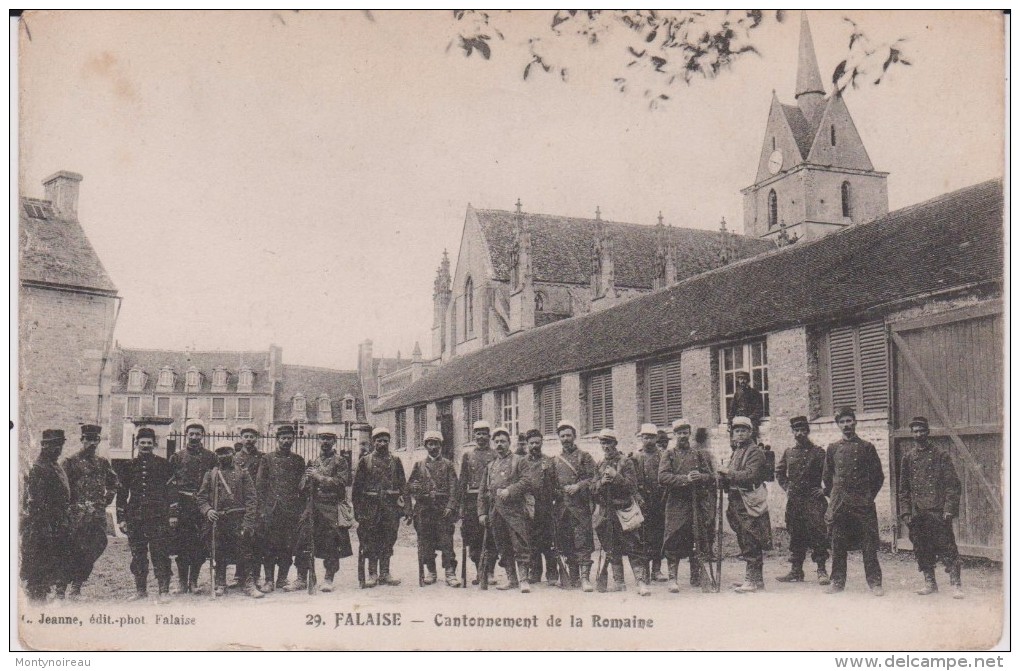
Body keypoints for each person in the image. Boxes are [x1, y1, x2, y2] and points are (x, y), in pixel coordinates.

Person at [897, 416, 964, 598]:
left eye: (922, 431)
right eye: (915, 431)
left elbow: (953, 485)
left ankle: (956, 585)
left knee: (947, 548)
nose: (919, 434)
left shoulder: (940, 455)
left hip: (938, 512)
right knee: (922, 548)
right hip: (919, 514)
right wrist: (905, 512)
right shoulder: (908, 458)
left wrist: (949, 509)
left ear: (928, 432)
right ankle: (930, 583)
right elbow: (903, 490)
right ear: (912, 434)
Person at [823, 406, 885, 596]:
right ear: (838, 425)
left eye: (849, 421)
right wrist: (835, 497)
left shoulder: (867, 447)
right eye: (842, 422)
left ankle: (875, 583)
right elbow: (827, 477)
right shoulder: (833, 448)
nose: (846, 425)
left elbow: (878, 477)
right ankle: (837, 582)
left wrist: (867, 496)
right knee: (838, 543)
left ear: (855, 422)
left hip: (862, 504)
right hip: (841, 504)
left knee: (868, 544)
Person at [60, 424, 120, 599]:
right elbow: (61, 487)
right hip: (76, 517)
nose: (92, 443)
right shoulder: (70, 462)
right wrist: (70, 506)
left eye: (95, 440)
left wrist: (106, 499)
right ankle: (61, 590)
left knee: (96, 546)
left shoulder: (102, 462)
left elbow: (113, 482)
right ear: (82, 440)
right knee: (70, 550)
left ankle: (77, 586)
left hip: (96, 517)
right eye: (88, 439)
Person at [197, 443, 262, 598]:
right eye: (219, 453)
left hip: (238, 519)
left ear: (233, 453)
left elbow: (251, 499)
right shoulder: (211, 474)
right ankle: (220, 583)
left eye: (226, 452)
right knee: (219, 552)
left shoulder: (243, 473)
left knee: (245, 551)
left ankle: (248, 584)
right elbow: (201, 497)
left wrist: (248, 522)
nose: (223, 456)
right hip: (218, 519)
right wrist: (208, 510)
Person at [116, 428, 174, 602]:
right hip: (135, 517)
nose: (146, 446)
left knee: (160, 553)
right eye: (142, 443)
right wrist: (121, 518)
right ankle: (141, 590)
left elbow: (171, 491)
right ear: (137, 444)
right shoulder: (128, 466)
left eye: (149, 443)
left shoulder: (164, 465)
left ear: (154, 444)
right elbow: (122, 493)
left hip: (158, 517)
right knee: (138, 554)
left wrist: (172, 514)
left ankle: (163, 591)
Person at [658, 418, 715, 592]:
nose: (683, 436)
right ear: (674, 435)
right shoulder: (669, 455)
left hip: (695, 503)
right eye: (679, 433)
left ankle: (696, 575)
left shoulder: (698, 454)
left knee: (696, 538)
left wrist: (701, 477)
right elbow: (663, 477)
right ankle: (672, 578)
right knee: (673, 539)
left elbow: (710, 476)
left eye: (685, 432)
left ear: (689, 434)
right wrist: (685, 479)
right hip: (676, 504)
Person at [718, 416, 773, 594]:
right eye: (737, 430)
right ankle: (756, 580)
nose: (740, 434)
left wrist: (728, 473)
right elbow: (732, 475)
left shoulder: (755, 451)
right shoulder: (737, 451)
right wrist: (722, 478)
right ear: (733, 434)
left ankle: (752, 579)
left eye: (743, 430)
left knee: (751, 537)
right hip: (736, 500)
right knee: (743, 537)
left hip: (749, 500)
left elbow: (750, 475)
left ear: (750, 432)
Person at [478, 426, 537, 592]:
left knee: (520, 544)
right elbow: (483, 491)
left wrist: (509, 490)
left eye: (502, 441)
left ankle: (523, 579)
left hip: (515, 512)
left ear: (509, 443)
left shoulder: (519, 461)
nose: (499, 444)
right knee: (502, 546)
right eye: (496, 441)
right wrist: (482, 512)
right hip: (495, 512)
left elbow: (527, 481)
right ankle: (512, 579)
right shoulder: (490, 466)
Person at [775, 416, 830, 585]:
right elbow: (779, 472)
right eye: (796, 430)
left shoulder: (818, 452)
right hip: (795, 501)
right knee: (795, 534)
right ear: (792, 432)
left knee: (818, 534)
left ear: (807, 431)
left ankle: (821, 570)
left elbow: (830, 474)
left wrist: (824, 490)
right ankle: (796, 571)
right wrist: (787, 487)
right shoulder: (789, 452)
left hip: (813, 501)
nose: (799, 433)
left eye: (802, 430)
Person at [593, 428, 649, 595]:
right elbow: (593, 490)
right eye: (603, 443)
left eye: (608, 442)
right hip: (606, 513)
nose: (605, 446)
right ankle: (619, 582)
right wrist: (602, 482)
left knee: (633, 547)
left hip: (624, 511)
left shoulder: (626, 462)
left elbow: (632, 486)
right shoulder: (600, 464)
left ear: (615, 444)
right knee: (611, 548)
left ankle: (641, 582)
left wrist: (616, 477)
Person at [297, 431, 354, 593]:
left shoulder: (341, 461)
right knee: (303, 538)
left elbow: (341, 483)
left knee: (331, 542)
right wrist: (307, 479)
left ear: (335, 440)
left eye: (329, 438)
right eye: (322, 438)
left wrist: (318, 477)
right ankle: (303, 576)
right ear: (318, 440)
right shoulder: (313, 462)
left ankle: (329, 577)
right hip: (314, 506)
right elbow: (302, 487)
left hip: (332, 506)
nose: (325, 441)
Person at [21, 429, 72, 604]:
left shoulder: (54, 465)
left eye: (60, 444)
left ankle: (41, 597)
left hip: (57, 524)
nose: (57, 448)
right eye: (52, 444)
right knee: (39, 568)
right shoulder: (39, 468)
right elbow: (36, 503)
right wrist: (45, 527)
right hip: (42, 527)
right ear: (43, 445)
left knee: (51, 565)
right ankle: (36, 601)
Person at [353, 427, 407, 587]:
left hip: (390, 508)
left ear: (389, 442)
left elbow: (403, 485)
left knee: (388, 539)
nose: (382, 443)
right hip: (371, 508)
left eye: (385, 441)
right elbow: (357, 489)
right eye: (379, 440)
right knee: (370, 540)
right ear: (373, 442)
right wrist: (358, 511)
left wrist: (406, 509)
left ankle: (385, 573)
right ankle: (372, 574)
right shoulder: (366, 461)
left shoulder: (395, 461)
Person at [406, 430, 461, 587]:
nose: (433, 447)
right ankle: (431, 571)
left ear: (440, 445)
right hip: (424, 510)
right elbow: (408, 486)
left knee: (446, 541)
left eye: (436, 443)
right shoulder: (419, 465)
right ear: (425, 446)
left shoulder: (448, 465)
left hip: (443, 510)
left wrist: (451, 506)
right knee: (426, 541)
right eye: (430, 444)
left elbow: (454, 488)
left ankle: (450, 572)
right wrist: (413, 487)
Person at [168, 419, 217, 594]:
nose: (194, 437)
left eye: (198, 434)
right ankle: (182, 582)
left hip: (202, 507)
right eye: (191, 434)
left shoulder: (211, 457)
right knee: (182, 545)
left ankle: (194, 581)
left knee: (199, 546)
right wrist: (173, 511)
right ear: (186, 435)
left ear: (203, 435)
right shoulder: (177, 457)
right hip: (183, 506)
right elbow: (170, 485)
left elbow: (215, 483)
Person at [256, 424, 306, 591]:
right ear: (277, 440)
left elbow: (302, 487)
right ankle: (269, 580)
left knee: (287, 546)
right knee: (269, 546)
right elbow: (260, 486)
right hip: (271, 510)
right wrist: (262, 508)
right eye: (283, 438)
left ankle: (282, 579)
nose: (286, 441)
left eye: (289, 438)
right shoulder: (267, 459)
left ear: (293, 440)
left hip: (291, 510)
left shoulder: (298, 460)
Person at [550, 420, 597, 591]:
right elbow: (552, 485)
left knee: (582, 542)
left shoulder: (584, 457)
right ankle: (574, 577)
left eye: (568, 435)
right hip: (563, 510)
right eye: (562, 436)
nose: (566, 439)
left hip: (580, 508)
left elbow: (594, 478)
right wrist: (558, 491)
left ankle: (585, 579)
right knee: (567, 542)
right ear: (559, 438)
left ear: (574, 436)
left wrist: (578, 486)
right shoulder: (555, 461)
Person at [458, 420, 499, 585]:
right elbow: (462, 482)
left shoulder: (496, 455)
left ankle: (490, 572)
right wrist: (461, 506)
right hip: (472, 500)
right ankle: (479, 571)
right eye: (478, 433)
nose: (481, 437)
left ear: (489, 436)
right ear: (474, 436)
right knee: (474, 537)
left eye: (484, 433)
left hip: (492, 499)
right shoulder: (468, 456)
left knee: (492, 537)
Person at [631, 423, 667, 582]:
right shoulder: (635, 457)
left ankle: (657, 570)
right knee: (643, 536)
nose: (648, 440)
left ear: (656, 438)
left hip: (659, 501)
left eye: (651, 437)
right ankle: (644, 570)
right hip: (642, 502)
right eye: (645, 437)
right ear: (641, 438)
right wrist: (638, 497)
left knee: (659, 535)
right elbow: (632, 481)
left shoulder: (663, 456)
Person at [524, 428, 559, 586]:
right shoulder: (522, 462)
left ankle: (552, 573)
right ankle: (535, 572)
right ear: (527, 444)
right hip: (529, 506)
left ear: (542, 443)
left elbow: (555, 484)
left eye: (537, 443)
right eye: (531, 443)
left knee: (548, 540)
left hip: (546, 506)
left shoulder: (549, 461)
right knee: (532, 541)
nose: (535, 446)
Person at [233, 426, 265, 587]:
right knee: (241, 538)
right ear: (241, 438)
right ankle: (239, 575)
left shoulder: (262, 457)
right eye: (246, 436)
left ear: (256, 438)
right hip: (240, 502)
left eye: (252, 437)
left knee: (256, 540)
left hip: (257, 502)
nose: (249, 439)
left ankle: (256, 575)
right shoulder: (236, 457)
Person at [727, 371, 764, 439]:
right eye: (740, 379)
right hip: (740, 418)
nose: (742, 381)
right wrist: (729, 422)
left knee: (750, 435)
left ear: (748, 380)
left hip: (751, 419)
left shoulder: (754, 393)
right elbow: (732, 409)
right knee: (734, 434)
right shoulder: (737, 394)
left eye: (744, 379)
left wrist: (750, 417)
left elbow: (759, 409)